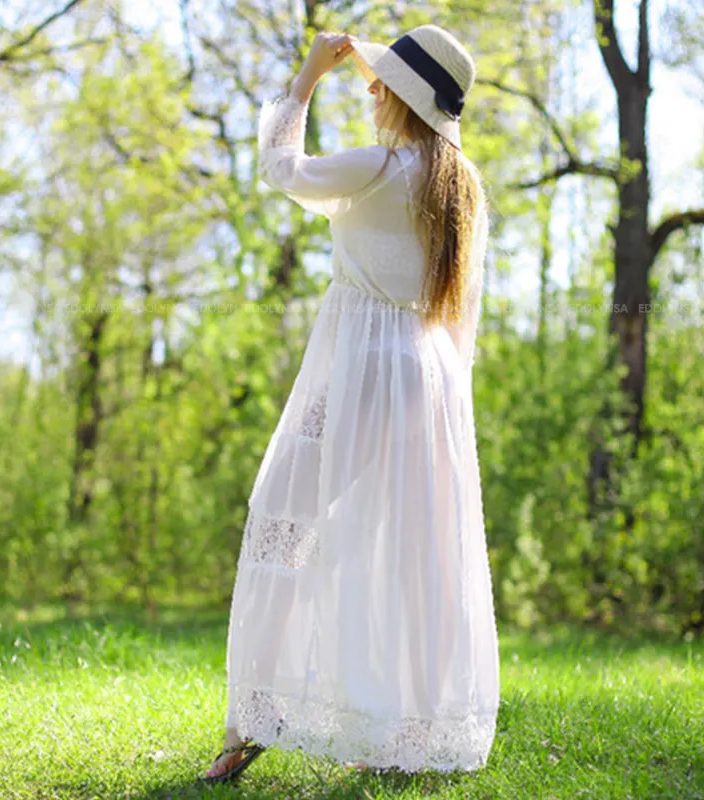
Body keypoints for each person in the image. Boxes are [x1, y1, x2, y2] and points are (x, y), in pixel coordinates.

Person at [203, 23, 499, 783]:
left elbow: (280, 168)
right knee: (415, 552)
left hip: (366, 366)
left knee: (282, 521)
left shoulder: (381, 167)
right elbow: (462, 315)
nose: (370, 88)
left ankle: (251, 719)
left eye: (382, 81)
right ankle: (409, 738)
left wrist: (306, 79)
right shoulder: (462, 185)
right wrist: (448, 406)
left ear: (406, 98)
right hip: (429, 377)